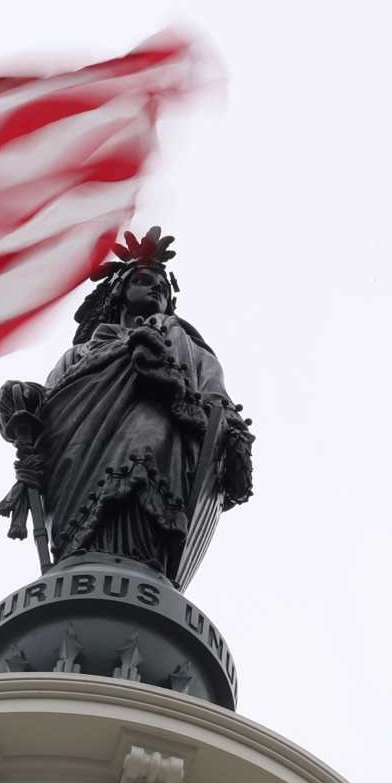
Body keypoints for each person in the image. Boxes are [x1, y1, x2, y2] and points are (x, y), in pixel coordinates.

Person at [32, 227, 252, 579]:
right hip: (77, 461)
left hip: (162, 431)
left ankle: (140, 558)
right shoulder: (81, 353)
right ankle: (82, 557)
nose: (156, 289)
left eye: (163, 288)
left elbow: (215, 400)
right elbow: (45, 413)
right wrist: (23, 402)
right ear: (120, 291)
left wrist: (231, 432)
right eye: (146, 280)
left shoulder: (183, 341)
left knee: (145, 443)